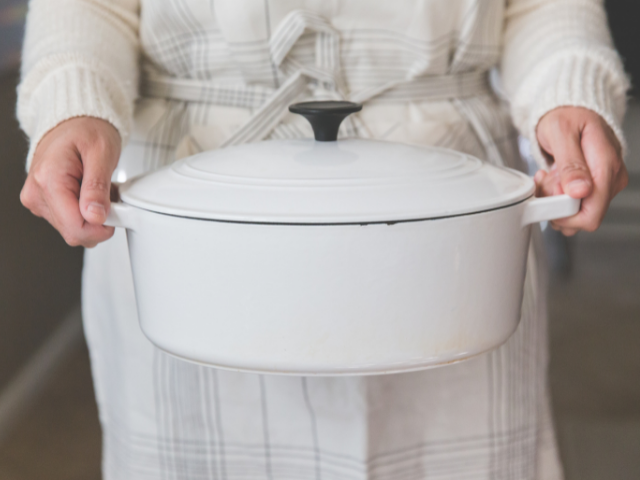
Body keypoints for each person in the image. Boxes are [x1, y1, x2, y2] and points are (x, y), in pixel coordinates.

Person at [18, 1, 628, 479]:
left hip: (454, 222)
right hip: (192, 208)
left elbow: (544, 6)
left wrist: (565, 90)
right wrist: (73, 103)